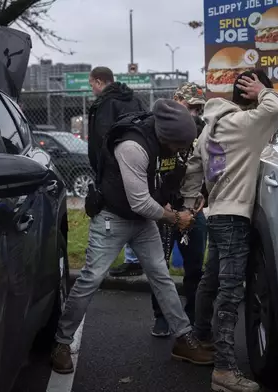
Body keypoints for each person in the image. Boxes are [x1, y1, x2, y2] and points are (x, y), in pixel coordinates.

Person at [51, 99, 213, 374]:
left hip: (143, 221)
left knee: (161, 276)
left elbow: (163, 181)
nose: (181, 150)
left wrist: (174, 201)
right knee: (91, 278)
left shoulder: (166, 143)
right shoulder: (132, 147)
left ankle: (183, 338)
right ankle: (61, 343)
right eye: (179, 145)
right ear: (166, 137)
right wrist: (174, 217)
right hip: (112, 218)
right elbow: (139, 202)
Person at [181, 70, 278, 392]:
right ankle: (224, 370)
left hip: (216, 215)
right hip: (235, 216)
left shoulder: (208, 130)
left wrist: (191, 202)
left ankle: (200, 338)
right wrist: (264, 90)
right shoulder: (248, 124)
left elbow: (192, 172)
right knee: (230, 292)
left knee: (210, 280)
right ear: (252, 93)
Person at [144, 83, 208, 337]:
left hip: (192, 207)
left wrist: (205, 195)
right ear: (176, 100)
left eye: (197, 108)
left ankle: (192, 316)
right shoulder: (158, 129)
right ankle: (161, 317)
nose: (193, 113)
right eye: (189, 106)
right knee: (159, 266)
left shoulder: (203, 131)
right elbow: (150, 172)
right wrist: (161, 203)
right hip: (164, 207)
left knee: (195, 267)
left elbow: (208, 167)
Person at [87, 66, 146, 277]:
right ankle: (135, 259)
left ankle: (102, 264)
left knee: (111, 215)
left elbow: (101, 139)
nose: (91, 88)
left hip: (112, 169)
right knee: (136, 209)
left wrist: (100, 168)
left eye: (92, 83)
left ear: (100, 82)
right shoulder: (135, 99)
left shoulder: (104, 104)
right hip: (138, 164)